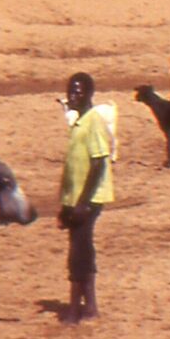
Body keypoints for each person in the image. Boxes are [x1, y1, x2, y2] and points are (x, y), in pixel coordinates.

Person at [58, 72, 116, 325]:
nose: (73, 96)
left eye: (78, 91)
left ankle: (74, 308)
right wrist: (66, 205)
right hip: (77, 199)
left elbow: (98, 164)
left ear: (90, 94)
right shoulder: (79, 123)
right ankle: (90, 306)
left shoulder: (93, 122)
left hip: (89, 199)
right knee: (83, 248)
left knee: (78, 252)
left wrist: (82, 203)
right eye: (70, 90)